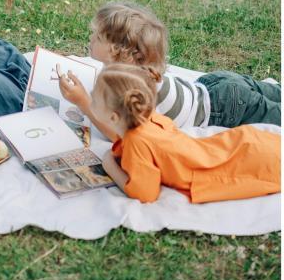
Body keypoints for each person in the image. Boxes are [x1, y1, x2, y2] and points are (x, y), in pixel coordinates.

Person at [58, 0, 281, 141]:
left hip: (225, 108)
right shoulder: (129, 68)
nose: (90, 38)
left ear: (120, 52)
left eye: (97, 37)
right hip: (215, 85)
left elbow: (120, 136)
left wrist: (83, 103)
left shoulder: (131, 89)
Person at [91, 63, 280, 203]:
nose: (90, 97)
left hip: (251, 163)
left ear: (114, 117)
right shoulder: (150, 118)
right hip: (245, 144)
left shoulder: (136, 142)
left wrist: (109, 165)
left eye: (94, 99)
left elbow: (146, 193)